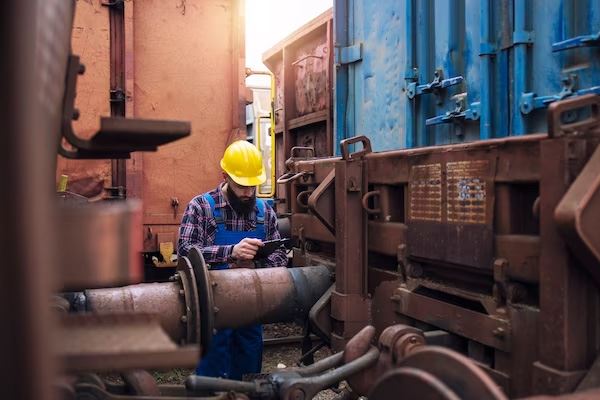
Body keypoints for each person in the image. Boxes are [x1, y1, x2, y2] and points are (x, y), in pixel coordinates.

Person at [177, 140, 288, 380]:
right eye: (241, 186)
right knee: (212, 376)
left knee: (249, 373)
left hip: (252, 308)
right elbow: (185, 252)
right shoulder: (201, 208)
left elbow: (280, 257)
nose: (248, 193)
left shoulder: (265, 211)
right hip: (212, 310)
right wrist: (231, 252)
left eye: (252, 186)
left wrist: (257, 264)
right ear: (225, 176)